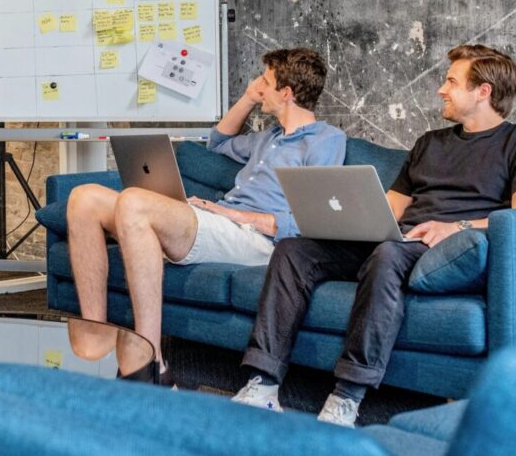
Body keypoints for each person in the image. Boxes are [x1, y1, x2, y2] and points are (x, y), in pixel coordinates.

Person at [232, 44, 516, 427]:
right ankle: (264, 383)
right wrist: (346, 221)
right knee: (293, 250)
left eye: (451, 81)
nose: (441, 88)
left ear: (483, 91)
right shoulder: (430, 143)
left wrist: (456, 226)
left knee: (387, 254)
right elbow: (389, 209)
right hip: (399, 241)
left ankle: (347, 396)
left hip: (450, 248)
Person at [67, 48, 347, 384]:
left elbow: (311, 219)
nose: (258, 85)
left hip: (257, 240)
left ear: (286, 93)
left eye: (265, 81)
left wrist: (236, 214)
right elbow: (217, 142)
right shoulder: (268, 138)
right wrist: (246, 99)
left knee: (134, 202)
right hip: (222, 224)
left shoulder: (326, 140)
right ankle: (96, 333)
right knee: (83, 198)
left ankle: (151, 360)